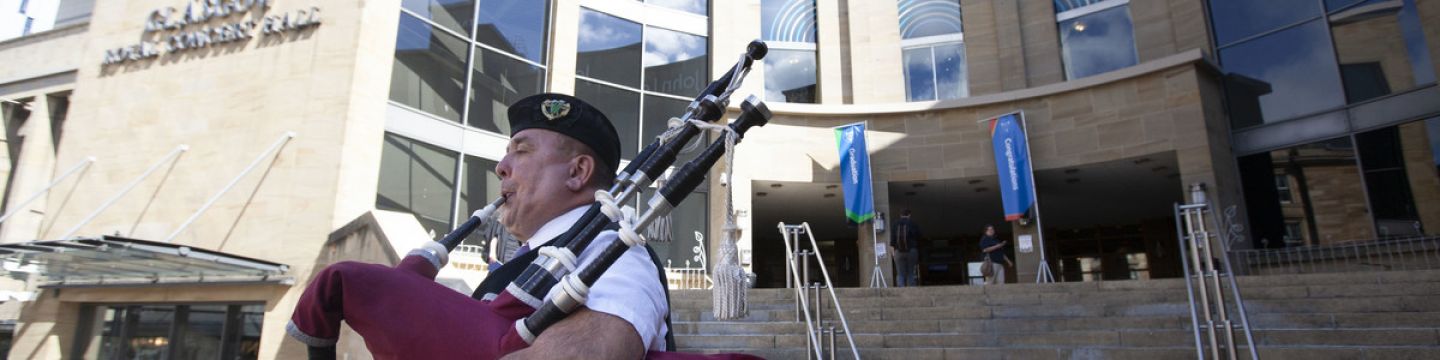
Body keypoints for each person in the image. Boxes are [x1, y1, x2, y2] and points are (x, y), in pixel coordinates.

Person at [287, 93, 670, 359]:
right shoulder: (526, 262)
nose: (501, 166)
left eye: (521, 149)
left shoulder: (614, 249)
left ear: (577, 172)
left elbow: (596, 352)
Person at [890, 209, 921, 287]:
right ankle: (912, 292)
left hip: (898, 251)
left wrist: (893, 253)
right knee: (910, 272)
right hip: (912, 251)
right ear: (909, 215)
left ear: (900, 215)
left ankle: (901, 292)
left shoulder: (895, 224)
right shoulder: (913, 223)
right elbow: (919, 236)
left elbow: (892, 241)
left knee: (900, 273)